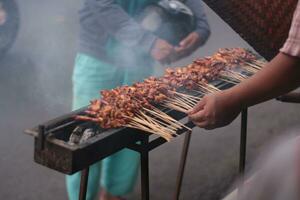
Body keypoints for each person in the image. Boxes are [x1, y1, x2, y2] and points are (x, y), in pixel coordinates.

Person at [67, 0, 211, 200]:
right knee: (85, 136)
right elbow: (101, 4)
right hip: (99, 56)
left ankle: (112, 195)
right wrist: (148, 42)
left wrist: (201, 29)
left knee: (132, 134)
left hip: (141, 61)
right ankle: (82, 197)